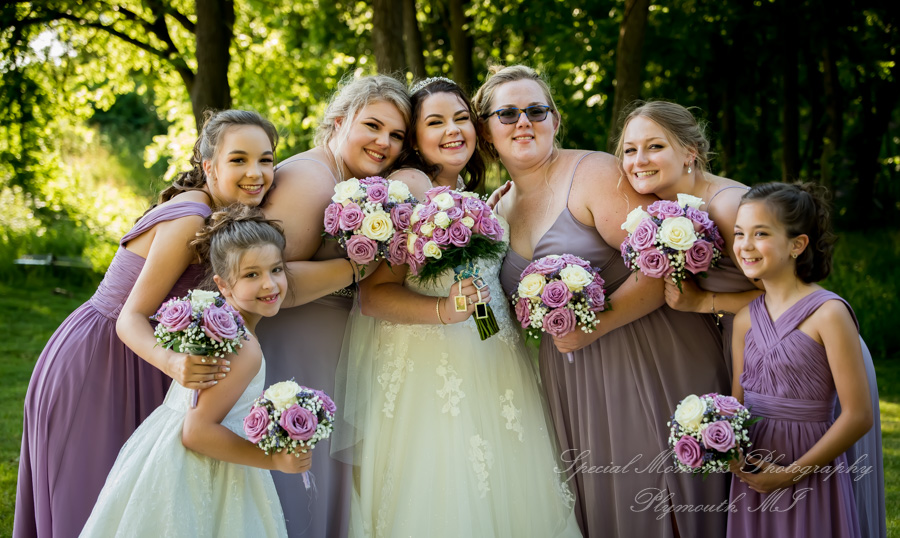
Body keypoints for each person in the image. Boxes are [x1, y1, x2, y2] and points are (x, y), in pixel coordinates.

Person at [477, 65, 729, 537]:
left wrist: (594, 325)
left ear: (555, 120)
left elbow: (662, 268)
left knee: (663, 495)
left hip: (650, 354)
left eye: (536, 110)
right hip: (572, 380)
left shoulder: (592, 173)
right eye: (507, 113)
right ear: (487, 132)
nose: (523, 122)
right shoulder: (495, 210)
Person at [618, 101, 885, 537]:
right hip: (761, 382)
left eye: (654, 146)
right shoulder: (667, 207)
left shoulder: (729, 207)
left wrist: (701, 302)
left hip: (812, 375)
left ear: (690, 152)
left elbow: (780, 292)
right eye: (629, 150)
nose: (638, 160)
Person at [335, 77, 581, 537]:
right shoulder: (408, 186)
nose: (453, 130)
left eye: (461, 118)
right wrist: (444, 313)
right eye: (435, 122)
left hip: (492, 358)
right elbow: (373, 294)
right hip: (433, 371)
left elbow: (477, 280)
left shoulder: (469, 190)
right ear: (415, 137)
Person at [15, 109, 278, 538]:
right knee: (91, 507)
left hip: (141, 360)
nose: (256, 172)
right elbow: (129, 317)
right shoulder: (191, 216)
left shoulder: (223, 214)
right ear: (209, 166)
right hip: (100, 362)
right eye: (239, 160)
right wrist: (174, 364)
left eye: (266, 160)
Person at [81, 205, 310, 536]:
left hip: (161, 452)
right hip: (200, 470)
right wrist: (272, 460)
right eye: (251, 274)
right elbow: (197, 432)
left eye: (276, 269)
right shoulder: (243, 347)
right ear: (223, 285)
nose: (270, 284)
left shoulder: (219, 326)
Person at [258, 74, 410, 537]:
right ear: (339, 121)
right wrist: (362, 263)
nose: (384, 142)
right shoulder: (309, 179)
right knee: (296, 485)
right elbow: (269, 283)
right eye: (373, 126)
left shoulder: (353, 181)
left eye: (397, 135)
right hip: (293, 352)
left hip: (327, 353)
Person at [727, 182, 872, 537]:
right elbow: (735, 402)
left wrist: (792, 473)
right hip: (754, 467)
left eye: (760, 233)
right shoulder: (745, 318)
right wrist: (723, 445)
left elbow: (859, 415)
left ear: (797, 244)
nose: (745, 245)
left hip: (809, 464)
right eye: (739, 233)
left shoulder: (829, 313)